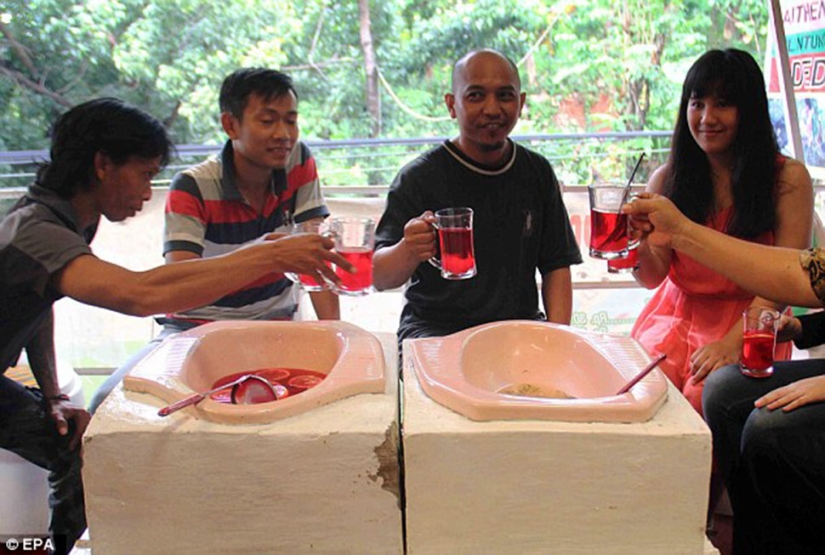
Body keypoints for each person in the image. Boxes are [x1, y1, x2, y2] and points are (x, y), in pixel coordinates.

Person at [0, 97, 351, 553]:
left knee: (74, 447)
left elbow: (41, 303)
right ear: (103, 164)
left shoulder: (69, 220)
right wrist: (270, 255)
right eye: (145, 174)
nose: (149, 192)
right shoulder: (35, 230)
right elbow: (140, 294)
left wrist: (53, 396)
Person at [89, 68, 338, 412]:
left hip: (277, 323)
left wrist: (336, 334)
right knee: (106, 402)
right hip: (193, 327)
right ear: (230, 125)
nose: (284, 134)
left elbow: (318, 258)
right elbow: (182, 281)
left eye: (291, 121)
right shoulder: (192, 185)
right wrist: (266, 252)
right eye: (268, 121)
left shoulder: (298, 161)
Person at [625, 193, 825, 555]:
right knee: (724, 389)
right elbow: (814, 274)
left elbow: (801, 275)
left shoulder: (785, 180)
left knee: (769, 427)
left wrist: (683, 232)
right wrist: (805, 329)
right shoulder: (672, 178)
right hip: (683, 318)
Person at [629, 48, 813, 415]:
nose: (707, 117)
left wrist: (733, 342)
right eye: (697, 103)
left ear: (750, 111)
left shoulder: (788, 180)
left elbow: (788, 279)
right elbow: (651, 278)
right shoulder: (667, 178)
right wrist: (633, 245)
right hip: (674, 317)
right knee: (645, 392)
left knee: (705, 396)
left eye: (723, 104)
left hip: (752, 317)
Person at [373, 49, 581, 343]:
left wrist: (558, 339)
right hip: (434, 333)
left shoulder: (537, 172)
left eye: (505, 96)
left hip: (518, 331)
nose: (492, 108)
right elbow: (379, 276)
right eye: (476, 96)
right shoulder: (418, 177)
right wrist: (408, 248)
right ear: (451, 105)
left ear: (520, 103)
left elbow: (556, 265)